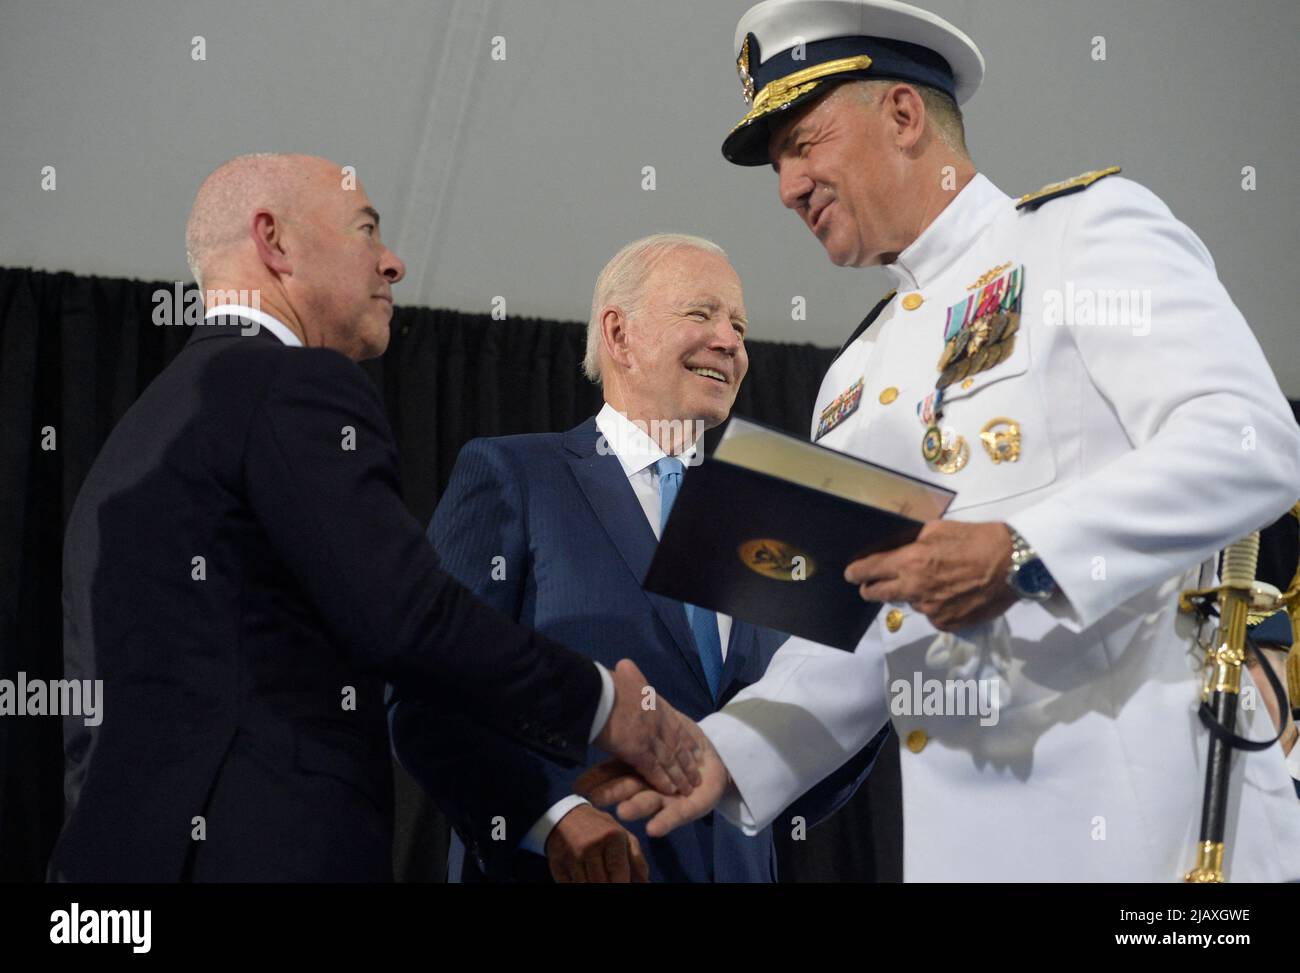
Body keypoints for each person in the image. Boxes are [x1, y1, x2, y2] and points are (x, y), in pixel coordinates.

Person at [580, 0, 1300, 881]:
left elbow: (1248, 439)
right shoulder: (851, 380)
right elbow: (850, 638)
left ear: (904, 115)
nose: (788, 188)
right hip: (967, 850)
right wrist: (722, 749)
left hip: (1145, 827)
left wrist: (1023, 554)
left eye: (804, 143)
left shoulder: (1084, 235)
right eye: (776, 166)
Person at [48, 153, 698, 882]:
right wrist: (605, 702)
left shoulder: (140, 430)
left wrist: (539, 814)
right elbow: (408, 616)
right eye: (366, 231)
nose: (393, 264)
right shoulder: (295, 382)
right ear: (275, 241)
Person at [390, 234, 881, 882]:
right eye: (701, 314)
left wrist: (879, 664)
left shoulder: (766, 521)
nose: (731, 342)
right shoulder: (515, 475)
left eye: (739, 325)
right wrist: (553, 816)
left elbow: (805, 749)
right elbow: (430, 693)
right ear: (618, 333)